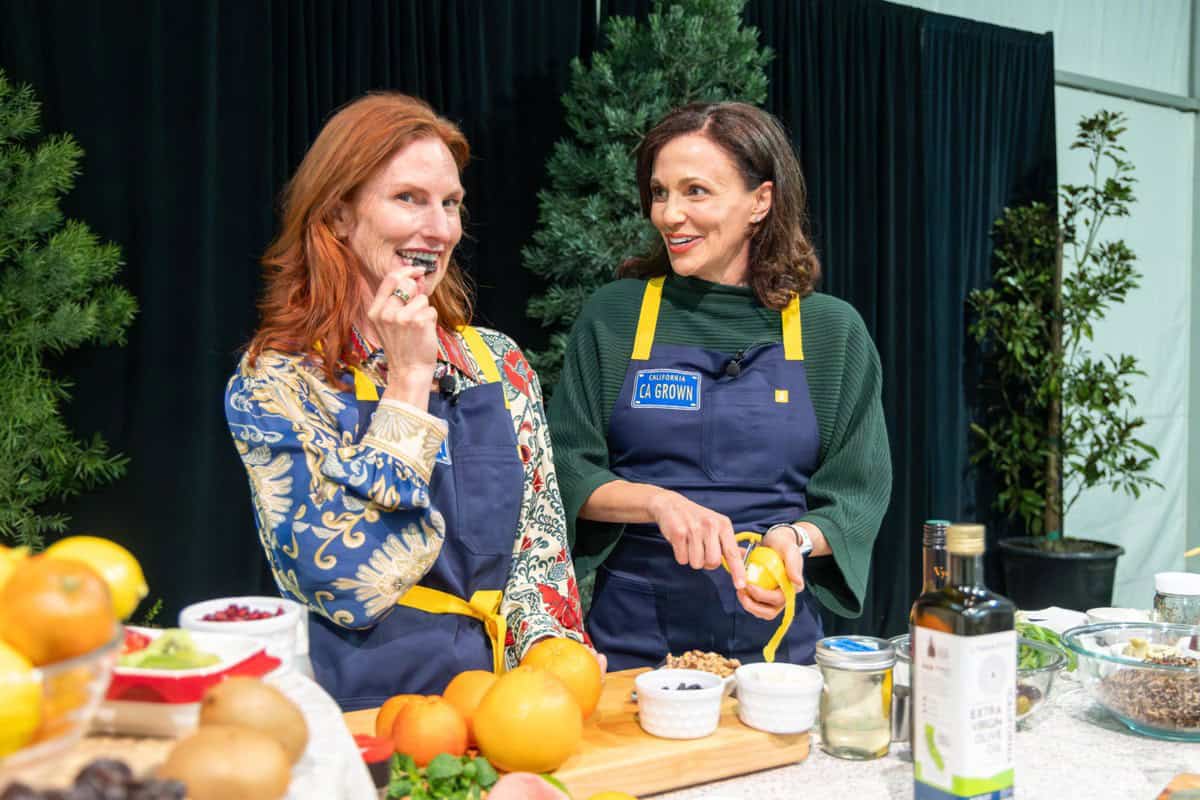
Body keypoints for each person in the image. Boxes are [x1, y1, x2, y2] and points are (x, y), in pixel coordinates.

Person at [225, 93, 587, 711]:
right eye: (408, 199)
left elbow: (539, 557)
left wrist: (555, 672)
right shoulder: (277, 381)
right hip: (360, 713)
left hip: (503, 707)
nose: (441, 229)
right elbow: (345, 581)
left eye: (451, 204)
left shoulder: (496, 363)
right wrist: (409, 384)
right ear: (339, 214)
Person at [550, 102, 892, 671]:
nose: (670, 214)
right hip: (631, 645)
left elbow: (857, 496)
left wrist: (795, 540)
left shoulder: (832, 332)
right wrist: (657, 503)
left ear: (760, 201)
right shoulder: (615, 317)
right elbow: (565, 468)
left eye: (696, 192)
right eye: (660, 193)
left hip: (779, 648)